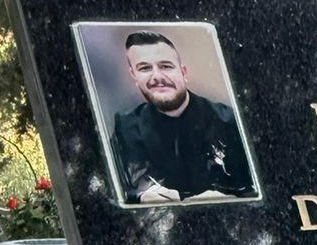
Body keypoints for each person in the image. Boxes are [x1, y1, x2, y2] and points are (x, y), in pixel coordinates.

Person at [109, 31, 257, 203]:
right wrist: (144, 195)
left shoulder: (230, 121)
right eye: (145, 68)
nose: (157, 77)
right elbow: (126, 187)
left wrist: (228, 199)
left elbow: (258, 188)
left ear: (183, 72)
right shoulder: (125, 127)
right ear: (134, 76)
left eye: (166, 66)